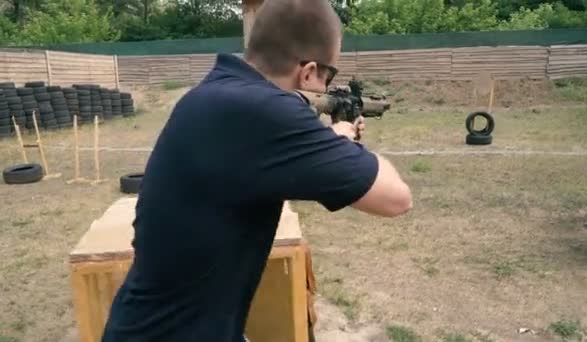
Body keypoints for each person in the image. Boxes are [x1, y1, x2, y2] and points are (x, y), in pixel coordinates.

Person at [101, 0, 413, 341]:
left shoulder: (214, 93)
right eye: (328, 76)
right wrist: (347, 140)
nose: (326, 89)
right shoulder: (263, 112)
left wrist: (328, 139)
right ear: (307, 72)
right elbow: (395, 199)